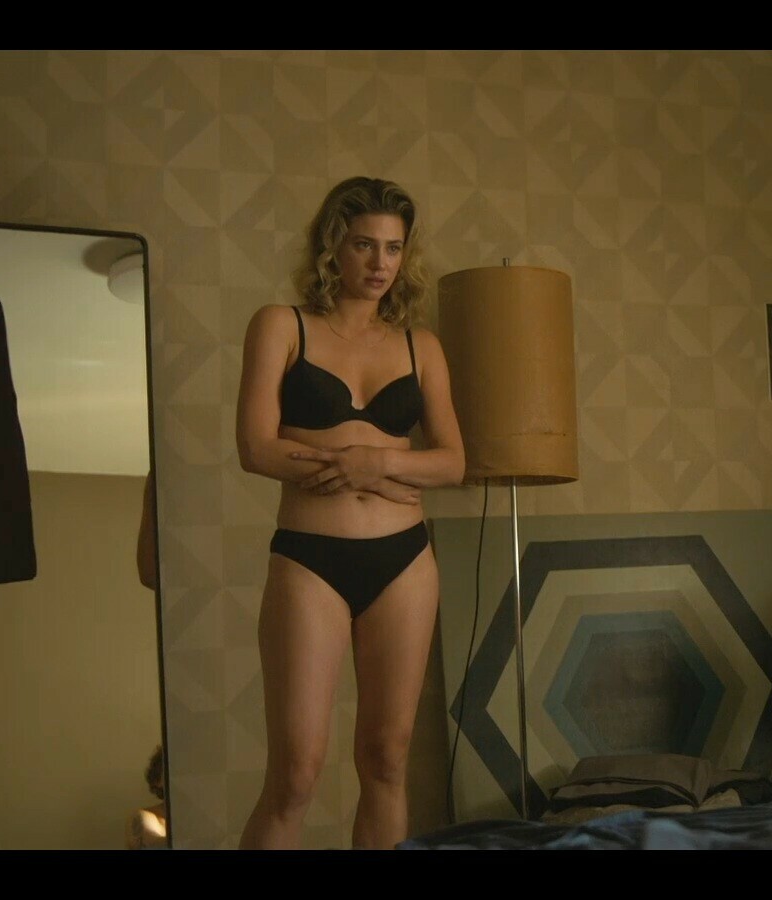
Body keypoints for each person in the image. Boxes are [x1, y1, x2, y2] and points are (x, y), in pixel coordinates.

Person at [234, 176, 466, 849]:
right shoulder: (281, 325)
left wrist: (377, 465)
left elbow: (453, 462)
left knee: (387, 760)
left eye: (393, 248)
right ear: (332, 247)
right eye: (364, 244)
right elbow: (256, 447)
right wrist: (361, 464)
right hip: (311, 562)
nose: (380, 263)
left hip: (405, 563)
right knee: (295, 775)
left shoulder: (422, 345)